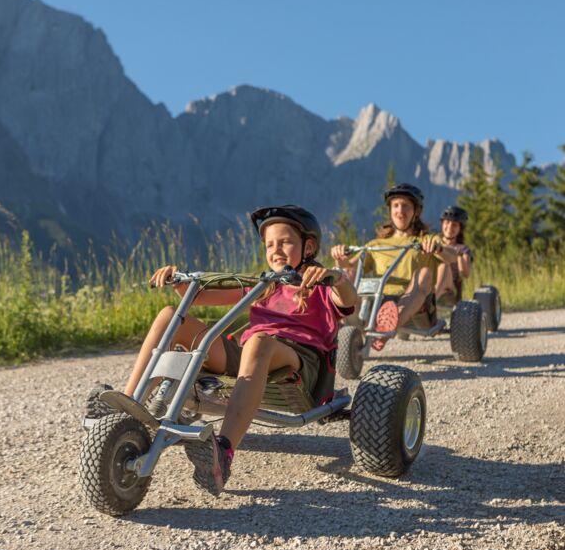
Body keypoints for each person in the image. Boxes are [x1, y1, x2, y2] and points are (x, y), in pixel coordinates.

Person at [123, 205, 357, 496]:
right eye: (270, 244)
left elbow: (348, 303)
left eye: (284, 242)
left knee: (258, 341)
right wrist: (176, 281)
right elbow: (198, 297)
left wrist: (336, 277)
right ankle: (125, 409)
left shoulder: (319, 283)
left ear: (308, 246)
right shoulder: (264, 285)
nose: (276, 250)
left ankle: (223, 453)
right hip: (250, 355)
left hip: (300, 361)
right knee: (171, 315)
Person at [331, 183, 458, 349]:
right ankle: (342, 322)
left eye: (406, 206)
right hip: (377, 303)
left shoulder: (425, 240)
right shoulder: (376, 244)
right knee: (341, 274)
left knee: (424, 273)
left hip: (418, 307)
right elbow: (349, 267)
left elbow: (452, 256)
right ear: (390, 210)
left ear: (416, 212)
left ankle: (387, 326)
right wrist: (339, 256)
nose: (400, 211)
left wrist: (438, 248)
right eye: (396, 205)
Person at [434, 206, 472, 304]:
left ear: (460, 229)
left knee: (444, 267)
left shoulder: (462, 249)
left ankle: (430, 302)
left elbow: (465, 273)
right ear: (442, 224)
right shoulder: (433, 242)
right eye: (447, 223)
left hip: (451, 290)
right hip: (429, 281)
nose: (450, 227)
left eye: (454, 225)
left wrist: (458, 255)